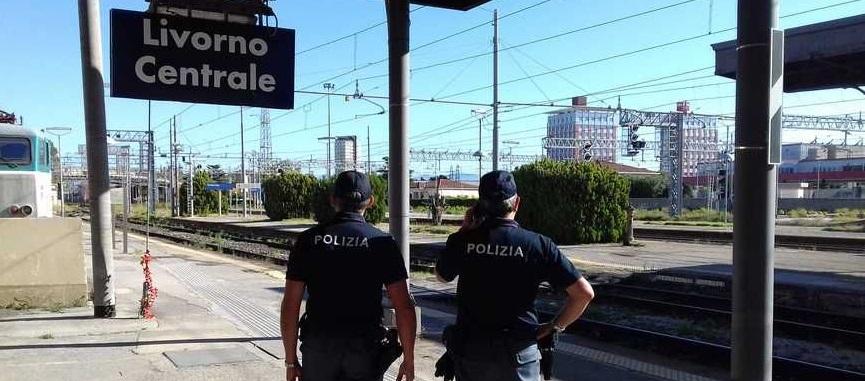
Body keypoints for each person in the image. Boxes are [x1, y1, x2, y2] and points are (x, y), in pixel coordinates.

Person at [435, 170, 595, 381]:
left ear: (479, 205)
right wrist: (554, 326)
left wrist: (462, 232)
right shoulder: (538, 244)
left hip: (472, 352)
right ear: (517, 203)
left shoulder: (463, 241)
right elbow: (584, 294)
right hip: (520, 352)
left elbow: (441, 276)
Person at [280, 170, 417, 381]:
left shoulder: (308, 240)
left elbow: (290, 304)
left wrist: (290, 361)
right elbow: (404, 306)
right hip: (364, 350)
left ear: (333, 199)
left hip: (319, 348)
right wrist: (409, 359)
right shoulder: (381, 243)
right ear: (370, 201)